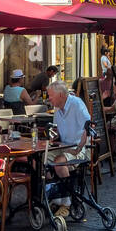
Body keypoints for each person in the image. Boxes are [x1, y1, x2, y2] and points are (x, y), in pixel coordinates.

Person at [44, 81, 91, 219]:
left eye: (50, 96)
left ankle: (67, 202)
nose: (49, 99)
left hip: (78, 147)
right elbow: (58, 130)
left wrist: (78, 150)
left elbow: (87, 127)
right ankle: (56, 195)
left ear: (60, 95)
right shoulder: (58, 108)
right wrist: (54, 136)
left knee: (59, 162)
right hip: (63, 146)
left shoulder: (76, 104)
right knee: (41, 159)